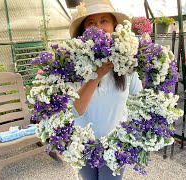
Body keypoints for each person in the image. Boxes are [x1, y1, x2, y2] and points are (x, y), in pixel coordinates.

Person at [69, 0, 143, 179]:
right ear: (83, 31)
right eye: (91, 23)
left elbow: (138, 102)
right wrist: (96, 75)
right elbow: (74, 110)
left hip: (115, 147)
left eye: (104, 21)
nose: (98, 28)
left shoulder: (127, 65)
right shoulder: (74, 65)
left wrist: (130, 138)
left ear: (114, 26)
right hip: (83, 144)